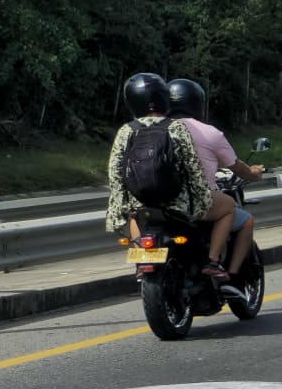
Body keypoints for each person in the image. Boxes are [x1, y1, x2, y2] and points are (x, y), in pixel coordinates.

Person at [102, 69, 245, 292]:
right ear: (163, 97)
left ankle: (142, 257)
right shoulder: (174, 127)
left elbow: (115, 172)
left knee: (133, 215)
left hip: (141, 203)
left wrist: (119, 206)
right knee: (227, 206)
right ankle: (212, 262)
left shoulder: (125, 131)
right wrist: (201, 199)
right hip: (177, 203)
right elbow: (192, 168)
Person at [163, 77, 260, 281]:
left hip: (159, 200)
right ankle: (219, 265)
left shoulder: (152, 131)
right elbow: (236, 166)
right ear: (197, 103)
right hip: (194, 201)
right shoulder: (208, 132)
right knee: (236, 212)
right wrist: (253, 174)